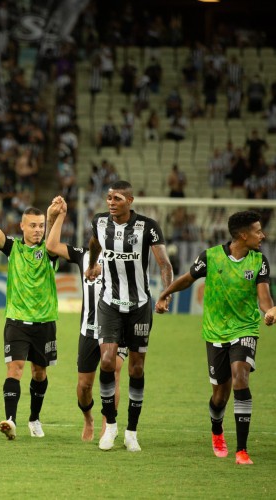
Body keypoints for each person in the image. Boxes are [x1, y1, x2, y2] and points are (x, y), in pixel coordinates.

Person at [156, 210, 275, 465]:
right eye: (258, 231)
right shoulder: (211, 257)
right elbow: (188, 279)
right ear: (243, 235)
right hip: (215, 331)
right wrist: (165, 294)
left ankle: (242, 450)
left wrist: (270, 310)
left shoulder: (259, 261)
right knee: (220, 395)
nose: (262, 235)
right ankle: (217, 429)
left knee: (241, 377)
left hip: (244, 329)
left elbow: (265, 299)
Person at [85, 180, 174, 452]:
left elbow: (164, 264)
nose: (111, 202)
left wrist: (165, 294)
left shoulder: (147, 227)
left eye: (118, 199)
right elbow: (94, 243)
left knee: (136, 368)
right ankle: (110, 426)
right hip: (109, 303)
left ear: (130, 201)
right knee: (108, 360)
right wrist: (91, 265)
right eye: (109, 198)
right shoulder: (99, 222)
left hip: (140, 306)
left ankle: (132, 431)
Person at [0, 177, 57, 440]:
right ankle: (10, 420)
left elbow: (54, 235)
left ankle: (34, 419)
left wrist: (56, 216)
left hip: (45, 322)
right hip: (16, 321)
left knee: (40, 372)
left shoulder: (50, 250)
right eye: (33, 225)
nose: (38, 230)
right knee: (15, 369)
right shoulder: (13, 249)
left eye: (41, 226)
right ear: (22, 226)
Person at [45, 196, 127, 441]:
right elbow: (51, 246)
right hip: (88, 330)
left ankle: (107, 424)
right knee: (84, 388)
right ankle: (89, 418)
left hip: (115, 328)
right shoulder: (83, 255)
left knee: (113, 373)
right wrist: (59, 216)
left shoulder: (124, 258)